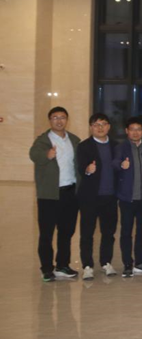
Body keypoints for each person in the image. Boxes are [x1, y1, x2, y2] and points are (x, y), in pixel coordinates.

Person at [30, 106, 81, 282]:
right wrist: (47, 155)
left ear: (67, 120)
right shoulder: (42, 141)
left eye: (62, 117)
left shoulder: (74, 140)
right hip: (49, 195)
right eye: (55, 117)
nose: (59, 121)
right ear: (50, 120)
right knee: (46, 233)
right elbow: (33, 155)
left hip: (70, 193)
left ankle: (62, 265)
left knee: (66, 232)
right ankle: (46, 268)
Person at [76, 113, 119, 280]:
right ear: (91, 127)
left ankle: (106, 262)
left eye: (103, 124)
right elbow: (80, 168)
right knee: (87, 232)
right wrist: (87, 170)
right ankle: (87, 265)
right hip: (90, 197)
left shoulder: (116, 146)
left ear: (109, 127)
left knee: (108, 232)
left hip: (110, 196)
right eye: (96, 125)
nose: (100, 128)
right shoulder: (84, 146)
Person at [113, 117, 142, 277]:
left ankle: (140, 262)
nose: (135, 132)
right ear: (127, 131)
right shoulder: (121, 147)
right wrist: (121, 165)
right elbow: (114, 163)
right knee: (126, 232)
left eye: (138, 129)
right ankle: (127, 264)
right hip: (127, 198)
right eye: (132, 129)